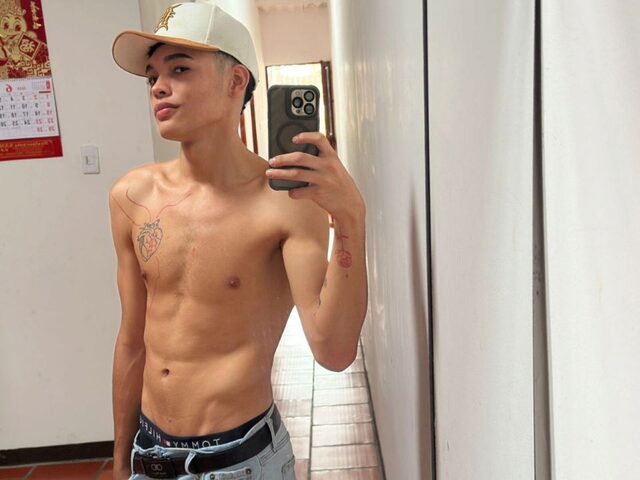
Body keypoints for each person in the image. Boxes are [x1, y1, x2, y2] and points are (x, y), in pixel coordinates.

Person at [109, 2, 367, 479]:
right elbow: (132, 340)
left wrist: (350, 218)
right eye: (152, 77)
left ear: (236, 81)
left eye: (179, 69)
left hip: (242, 461)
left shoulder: (286, 201)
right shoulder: (131, 197)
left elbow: (333, 351)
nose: (159, 86)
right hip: (149, 456)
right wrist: (120, 460)